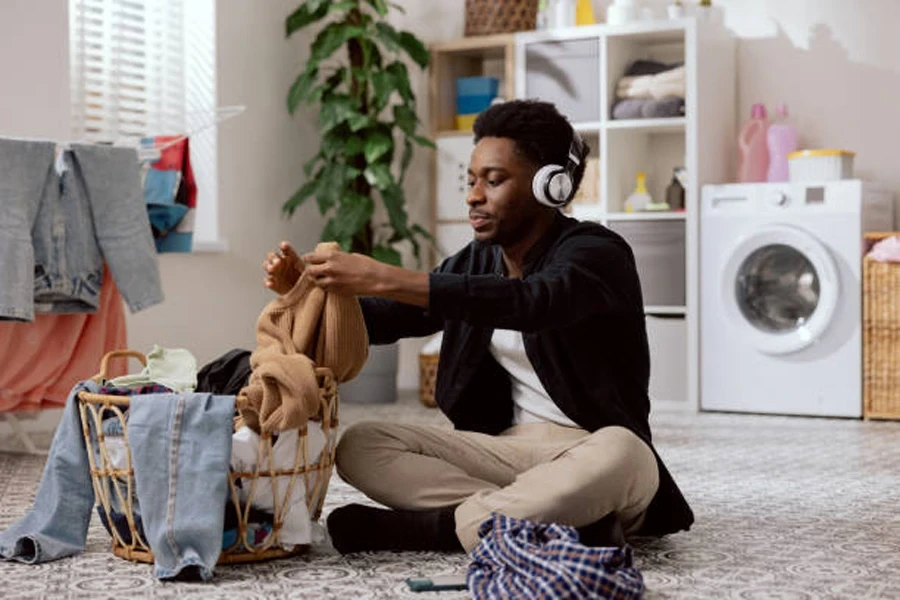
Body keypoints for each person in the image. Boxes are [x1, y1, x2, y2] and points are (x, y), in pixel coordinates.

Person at [262, 99, 693, 554]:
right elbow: (385, 318)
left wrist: (382, 274)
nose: (473, 195)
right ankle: (554, 522)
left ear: (551, 185)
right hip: (503, 453)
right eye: (470, 181)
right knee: (361, 444)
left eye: (494, 180)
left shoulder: (597, 254)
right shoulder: (477, 260)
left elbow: (532, 303)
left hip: (591, 451)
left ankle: (435, 530)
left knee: (624, 455)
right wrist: (308, 295)